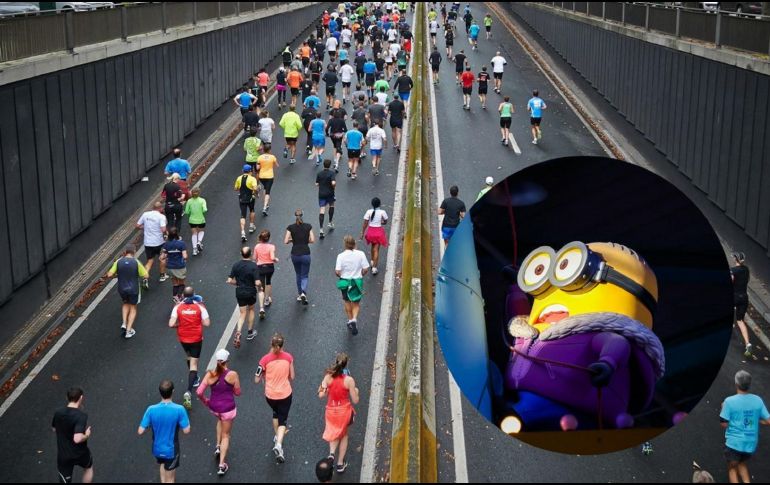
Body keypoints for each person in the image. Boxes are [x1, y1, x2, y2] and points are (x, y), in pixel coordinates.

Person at [196, 349, 241, 476]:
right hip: (228, 409)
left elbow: (199, 392)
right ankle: (222, 464)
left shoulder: (210, 374)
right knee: (226, 435)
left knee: (219, 420)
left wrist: (206, 401)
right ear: (227, 360)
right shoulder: (233, 374)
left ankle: (217, 446)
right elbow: (237, 392)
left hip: (215, 408)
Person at [720, 370, 770, 483]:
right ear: (749, 384)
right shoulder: (758, 400)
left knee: (732, 469)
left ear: (736, 384)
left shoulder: (729, 402)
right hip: (750, 445)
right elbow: (768, 421)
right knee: (742, 463)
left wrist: (723, 408)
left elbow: (724, 424)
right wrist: (757, 420)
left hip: (734, 444)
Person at [138, 380, 191, 484]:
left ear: (159, 392)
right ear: (173, 391)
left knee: (162, 464)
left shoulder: (151, 409)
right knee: (170, 479)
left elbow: (140, 431)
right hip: (171, 451)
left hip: (157, 449)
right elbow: (186, 430)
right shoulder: (179, 409)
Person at [255, 333, 295, 464]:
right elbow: (292, 376)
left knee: (275, 414)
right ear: (283, 345)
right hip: (285, 394)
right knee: (283, 421)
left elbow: (256, 378)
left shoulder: (264, 360)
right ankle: (279, 445)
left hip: (270, 395)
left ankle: (277, 436)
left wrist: (264, 376)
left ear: (271, 345)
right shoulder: (288, 358)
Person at [168, 287, 210, 410]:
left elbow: (171, 324)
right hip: (196, 338)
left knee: (188, 356)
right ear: (194, 294)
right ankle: (188, 391)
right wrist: (196, 322)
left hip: (183, 338)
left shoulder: (178, 307)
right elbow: (207, 323)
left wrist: (179, 324)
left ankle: (195, 378)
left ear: (183, 295)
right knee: (194, 364)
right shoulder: (200, 307)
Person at [318, 353, 360, 473]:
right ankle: (340, 464)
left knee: (334, 431)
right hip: (344, 412)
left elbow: (321, 394)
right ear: (346, 365)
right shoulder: (349, 380)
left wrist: (322, 388)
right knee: (344, 434)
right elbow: (356, 400)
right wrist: (356, 390)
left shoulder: (328, 377)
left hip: (331, 411)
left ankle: (331, 454)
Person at [52, 387, 94, 484]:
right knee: (88, 468)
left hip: (64, 455)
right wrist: (87, 435)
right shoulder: (81, 416)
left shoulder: (58, 412)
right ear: (81, 398)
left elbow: (54, 428)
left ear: (67, 397)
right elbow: (77, 439)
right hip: (80, 453)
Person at [106, 244, 148, 339]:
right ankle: (128, 331)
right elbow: (146, 276)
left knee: (125, 303)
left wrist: (118, 275)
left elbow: (109, 275)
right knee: (133, 308)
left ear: (125, 252)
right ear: (134, 252)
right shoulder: (136, 262)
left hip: (122, 289)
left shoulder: (118, 261)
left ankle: (124, 323)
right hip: (133, 289)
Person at [335, 235, 370, 335]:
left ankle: (350, 320)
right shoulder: (361, 254)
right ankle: (354, 319)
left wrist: (341, 275)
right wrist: (361, 274)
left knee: (346, 300)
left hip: (345, 281)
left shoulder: (340, 256)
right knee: (356, 302)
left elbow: (337, 271)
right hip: (356, 281)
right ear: (354, 244)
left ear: (345, 244)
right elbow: (366, 268)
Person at [227, 246, 260, 348]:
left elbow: (229, 280)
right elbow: (257, 282)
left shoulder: (236, 265)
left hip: (240, 291)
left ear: (241, 254)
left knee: (242, 313)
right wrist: (259, 287)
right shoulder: (253, 266)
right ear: (250, 254)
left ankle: (238, 331)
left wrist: (237, 283)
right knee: (251, 309)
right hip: (250, 291)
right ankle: (250, 332)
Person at [285, 209, 315, 305]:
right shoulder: (308, 226)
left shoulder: (290, 227)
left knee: (298, 274)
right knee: (305, 275)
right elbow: (312, 240)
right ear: (303, 216)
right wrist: (305, 240)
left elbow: (285, 241)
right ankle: (303, 292)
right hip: (305, 253)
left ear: (295, 217)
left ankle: (299, 293)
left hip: (295, 254)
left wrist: (292, 240)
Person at [136, 202, 167, 289]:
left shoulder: (145, 214)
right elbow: (163, 229)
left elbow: (137, 225)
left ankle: (145, 278)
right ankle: (162, 275)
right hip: (159, 242)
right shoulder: (161, 217)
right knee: (162, 258)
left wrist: (145, 227)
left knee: (150, 261)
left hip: (148, 243)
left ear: (152, 207)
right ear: (160, 208)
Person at [731, 252, 752, 357]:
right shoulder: (747, 269)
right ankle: (748, 344)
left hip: (734, 297)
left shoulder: (733, 270)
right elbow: (747, 280)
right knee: (740, 320)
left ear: (736, 259)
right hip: (744, 297)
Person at [254, 231, 279, 319]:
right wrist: (275, 259)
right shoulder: (271, 246)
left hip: (260, 267)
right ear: (268, 238)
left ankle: (261, 308)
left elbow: (254, 258)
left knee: (261, 288)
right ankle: (267, 300)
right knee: (268, 282)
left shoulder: (257, 246)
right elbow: (272, 258)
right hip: (269, 267)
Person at [361, 197, 388, 276]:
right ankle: (374, 268)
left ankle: (372, 261)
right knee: (376, 249)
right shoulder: (382, 212)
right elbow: (385, 221)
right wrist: (381, 222)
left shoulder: (368, 212)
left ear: (372, 204)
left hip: (370, 232)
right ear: (379, 204)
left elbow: (365, 223)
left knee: (373, 246)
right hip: (378, 232)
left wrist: (362, 233)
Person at [160, 227, 188, 304]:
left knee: (175, 283)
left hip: (170, 267)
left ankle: (175, 297)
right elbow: (185, 256)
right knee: (182, 282)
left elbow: (162, 256)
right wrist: (184, 259)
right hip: (179, 266)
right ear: (177, 234)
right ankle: (179, 296)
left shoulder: (166, 244)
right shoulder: (181, 243)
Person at [234, 165, 258, 242]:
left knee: (243, 215)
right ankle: (251, 226)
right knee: (252, 210)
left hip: (241, 198)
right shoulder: (252, 179)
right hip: (250, 198)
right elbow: (255, 188)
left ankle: (243, 232)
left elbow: (236, 188)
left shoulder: (239, 178)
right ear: (250, 171)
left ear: (243, 170)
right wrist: (256, 193)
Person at [316, 159, 337, 240]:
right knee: (331, 205)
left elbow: (317, 183)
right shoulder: (332, 173)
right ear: (330, 165)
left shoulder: (319, 173)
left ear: (323, 165)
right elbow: (333, 183)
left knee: (322, 210)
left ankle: (321, 229)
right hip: (330, 193)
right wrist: (334, 187)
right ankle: (330, 222)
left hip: (321, 194)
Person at [184, 187, 207, 257]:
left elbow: (186, 212)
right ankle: (199, 242)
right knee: (201, 231)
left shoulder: (189, 201)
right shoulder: (202, 200)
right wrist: (202, 213)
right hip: (201, 219)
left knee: (194, 233)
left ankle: (194, 249)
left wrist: (191, 213)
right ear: (199, 193)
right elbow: (205, 209)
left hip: (192, 220)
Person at [257, 144, 278, 217]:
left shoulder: (259, 157)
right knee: (268, 192)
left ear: (263, 150)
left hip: (261, 176)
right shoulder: (272, 157)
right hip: (269, 176)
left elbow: (257, 168)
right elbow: (277, 165)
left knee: (265, 188)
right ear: (269, 150)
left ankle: (265, 203)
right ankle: (265, 207)